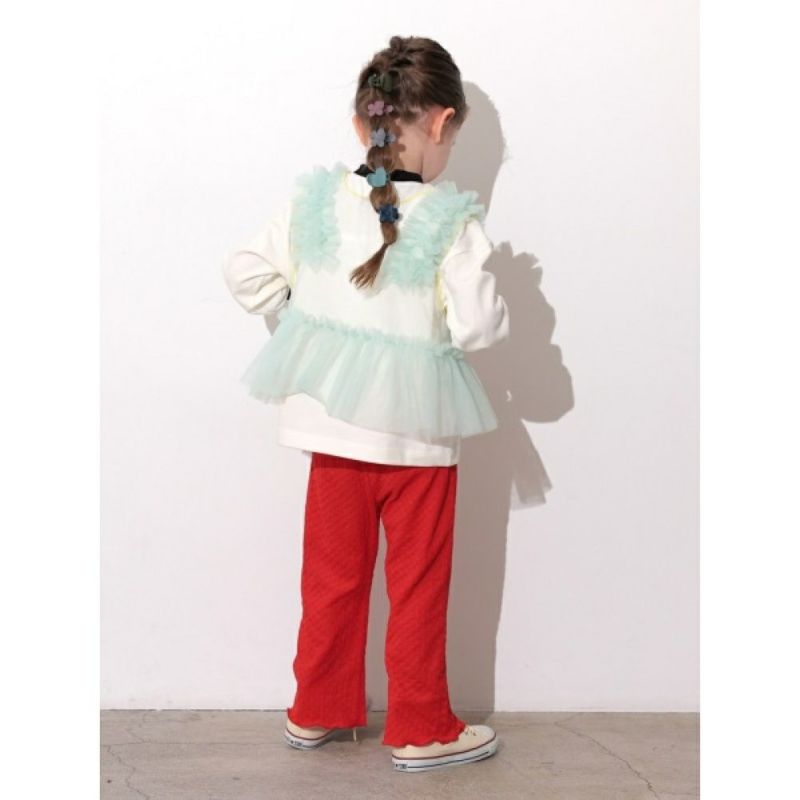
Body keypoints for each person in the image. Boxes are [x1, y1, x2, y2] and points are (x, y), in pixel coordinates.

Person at [222, 35, 509, 773]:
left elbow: (246, 271)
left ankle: (314, 709)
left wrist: (303, 313)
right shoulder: (451, 219)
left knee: (331, 579)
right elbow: (479, 328)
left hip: (332, 431)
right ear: (442, 123)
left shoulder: (315, 200)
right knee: (417, 587)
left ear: (362, 124)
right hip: (418, 440)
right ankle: (420, 727)